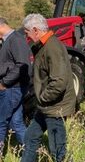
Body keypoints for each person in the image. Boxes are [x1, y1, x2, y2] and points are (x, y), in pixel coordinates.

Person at [21, 13, 76, 162]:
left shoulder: (52, 47)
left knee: (57, 149)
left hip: (55, 107)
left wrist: (42, 97)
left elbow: (59, 82)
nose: (27, 37)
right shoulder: (43, 45)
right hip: (46, 105)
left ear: (35, 30)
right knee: (30, 137)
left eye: (27, 33)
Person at [0, 17, 31, 156]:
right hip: (13, 88)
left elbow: (22, 65)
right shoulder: (8, 40)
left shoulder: (15, 40)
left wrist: (4, 82)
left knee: (0, 122)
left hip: (12, 88)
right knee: (16, 122)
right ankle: (30, 153)